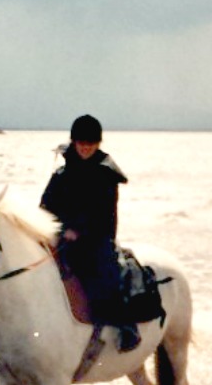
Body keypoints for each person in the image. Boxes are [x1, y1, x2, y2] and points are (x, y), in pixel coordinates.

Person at [40, 114, 141, 352]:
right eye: (81, 142)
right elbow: (46, 206)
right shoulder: (61, 174)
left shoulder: (105, 175)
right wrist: (45, 227)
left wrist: (77, 231)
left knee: (105, 273)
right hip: (61, 236)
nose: (85, 147)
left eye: (91, 142)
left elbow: (101, 213)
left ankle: (126, 326)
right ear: (74, 142)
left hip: (96, 238)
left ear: (98, 144)